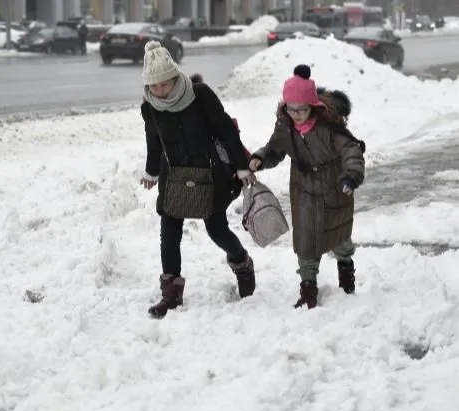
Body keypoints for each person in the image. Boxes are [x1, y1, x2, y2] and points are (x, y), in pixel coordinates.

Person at [139, 41, 256, 319]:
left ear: (175, 76)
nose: (160, 91)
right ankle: (171, 294)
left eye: (165, 84)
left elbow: (226, 130)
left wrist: (241, 167)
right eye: (154, 86)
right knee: (169, 236)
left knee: (216, 230)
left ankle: (241, 262)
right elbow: (153, 142)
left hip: (209, 174)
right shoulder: (151, 107)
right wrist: (152, 171)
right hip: (174, 177)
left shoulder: (199, 95)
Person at [249, 64, 365, 309]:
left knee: (339, 236)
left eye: (302, 109)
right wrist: (260, 158)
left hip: (334, 185)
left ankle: (346, 275)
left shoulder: (329, 127)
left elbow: (351, 150)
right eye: (291, 109)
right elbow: (274, 150)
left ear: (312, 106)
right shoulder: (285, 127)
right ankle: (308, 290)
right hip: (303, 189)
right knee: (305, 239)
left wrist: (351, 176)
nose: (296, 114)